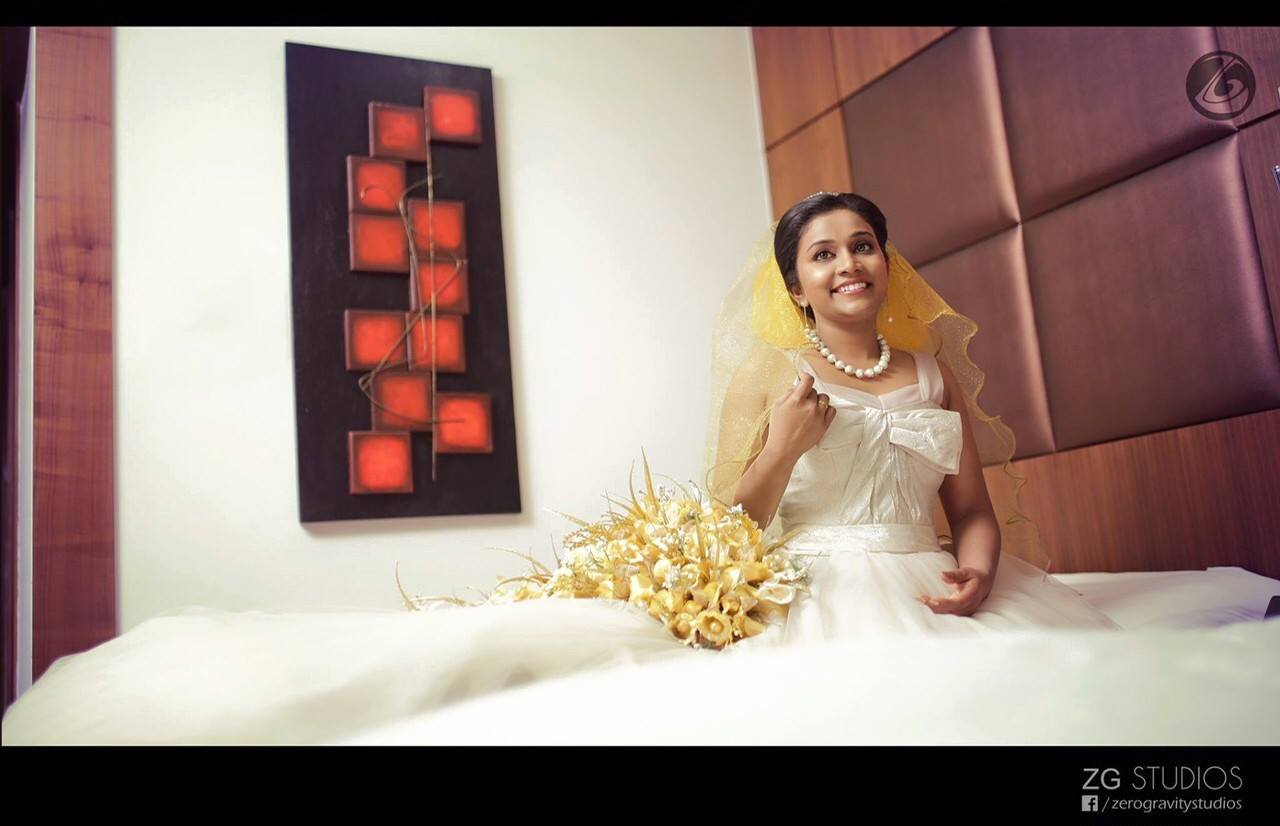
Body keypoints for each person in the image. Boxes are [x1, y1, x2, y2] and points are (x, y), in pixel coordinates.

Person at [706, 192, 1120, 647]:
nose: (849, 264)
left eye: (863, 246)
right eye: (824, 254)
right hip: (815, 592)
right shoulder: (769, 375)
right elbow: (729, 530)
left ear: (887, 265)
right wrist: (783, 449)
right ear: (796, 289)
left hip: (928, 578)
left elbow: (972, 511)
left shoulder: (934, 375)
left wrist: (979, 573)